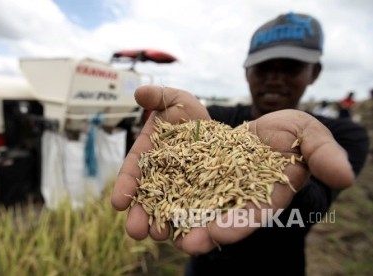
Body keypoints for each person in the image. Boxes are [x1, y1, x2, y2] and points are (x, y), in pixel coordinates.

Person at [111, 12, 369, 276]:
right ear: (247, 72)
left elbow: (313, 210)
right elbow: (159, 158)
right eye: (263, 67)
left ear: (314, 72)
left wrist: (291, 173)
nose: (275, 78)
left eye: (291, 67)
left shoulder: (344, 134)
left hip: (279, 267)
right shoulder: (211, 120)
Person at [355, 88, 373, 161]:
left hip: (371, 124)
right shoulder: (365, 102)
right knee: (364, 137)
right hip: (365, 122)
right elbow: (357, 109)